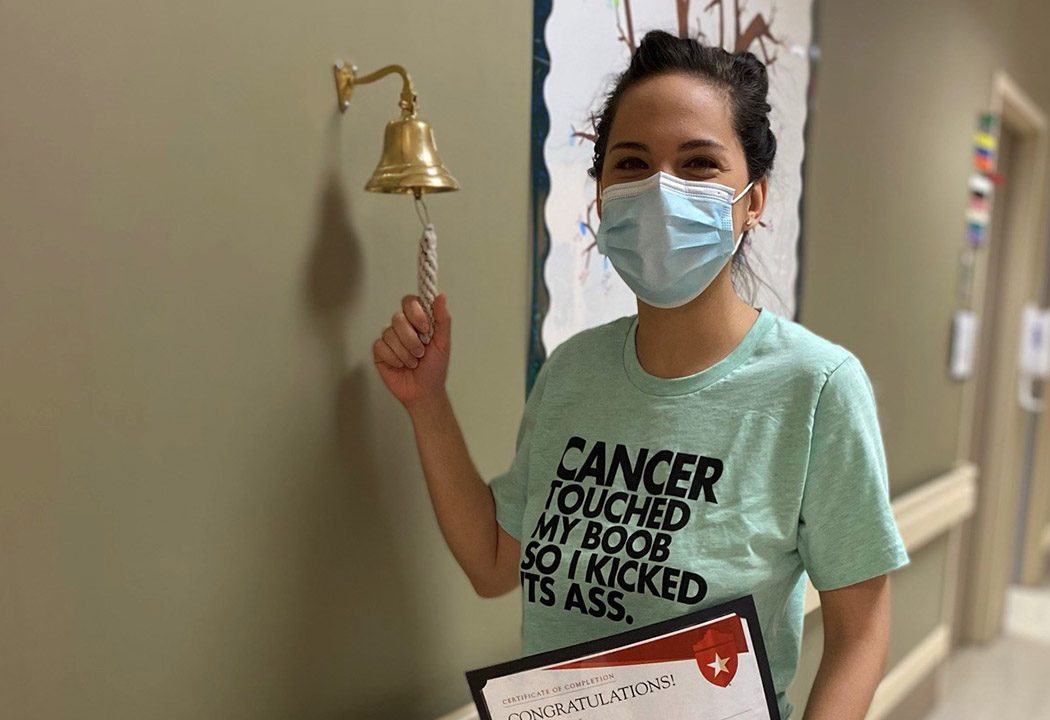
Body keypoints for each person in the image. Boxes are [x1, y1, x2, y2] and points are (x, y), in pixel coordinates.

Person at [372, 29, 908, 720]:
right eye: (631, 163)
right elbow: (493, 562)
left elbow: (860, 634)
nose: (660, 190)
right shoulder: (573, 372)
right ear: (600, 193)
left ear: (754, 200)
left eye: (698, 163)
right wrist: (426, 402)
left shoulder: (817, 388)